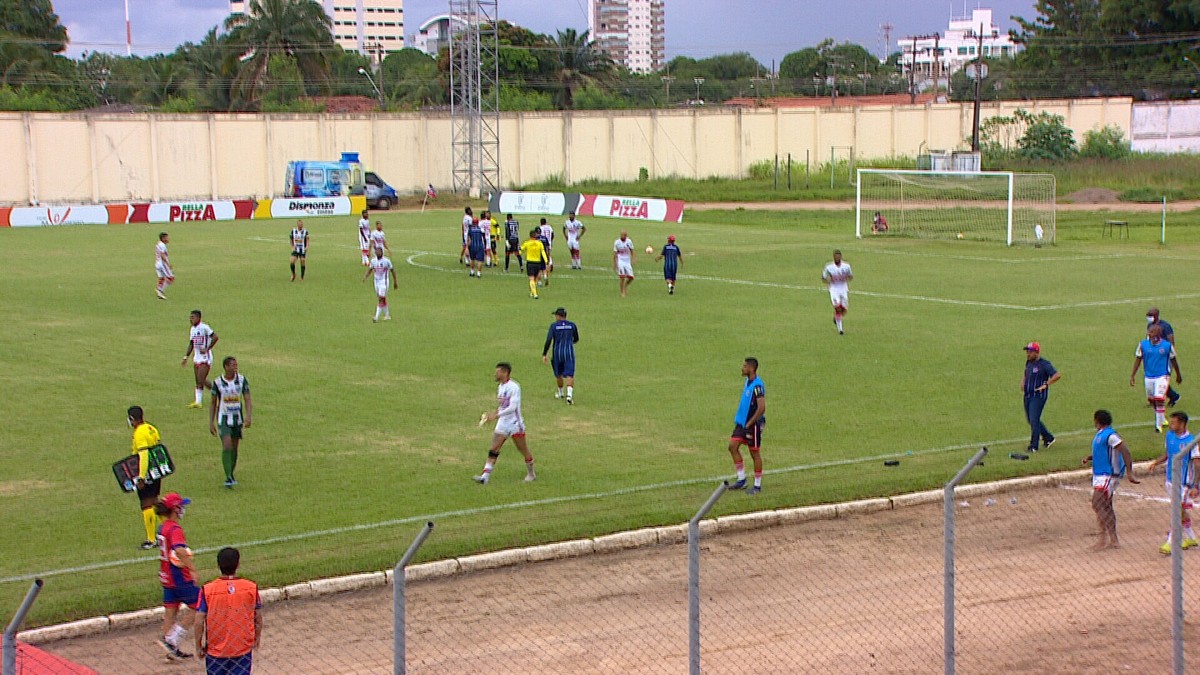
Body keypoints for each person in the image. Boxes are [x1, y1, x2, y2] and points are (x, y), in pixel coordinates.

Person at [195, 547, 262, 675]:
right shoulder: (250, 587)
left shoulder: (207, 590)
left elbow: (199, 621)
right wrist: (257, 638)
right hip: (242, 649)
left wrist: (199, 646)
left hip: (216, 652)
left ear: (218, 565)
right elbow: (258, 616)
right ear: (238, 564)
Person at [1082, 410, 1138, 551]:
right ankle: (1113, 540)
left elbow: (1125, 451)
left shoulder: (1111, 435)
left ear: (1097, 420)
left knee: (1097, 503)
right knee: (1106, 506)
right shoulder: (1102, 435)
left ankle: (1102, 539)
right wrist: (1090, 458)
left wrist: (1130, 472)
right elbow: (1104, 452)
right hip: (1101, 474)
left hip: (1108, 475)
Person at [1146, 411, 1200, 554]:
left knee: (1177, 512)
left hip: (1184, 484)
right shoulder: (1169, 436)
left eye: (1173, 422)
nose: (1170, 425)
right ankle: (1191, 538)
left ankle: (1170, 542)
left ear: (1182, 424)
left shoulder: (1191, 442)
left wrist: (1195, 486)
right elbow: (1168, 454)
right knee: (1181, 511)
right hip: (1170, 481)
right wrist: (1156, 463)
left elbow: (1197, 465)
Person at [474, 362, 536, 484]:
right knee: (494, 448)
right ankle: (485, 476)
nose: (495, 374)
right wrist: (492, 414)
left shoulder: (514, 387)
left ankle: (531, 473)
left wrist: (496, 415)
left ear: (505, 373)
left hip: (515, 424)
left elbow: (513, 407)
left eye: (498, 372)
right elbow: (503, 406)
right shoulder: (500, 387)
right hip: (503, 423)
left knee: (522, 449)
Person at [156, 492, 198, 660]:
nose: (183, 509)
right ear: (175, 509)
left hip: (166, 575)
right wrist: (192, 569)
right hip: (179, 576)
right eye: (181, 506)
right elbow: (179, 550)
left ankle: (169, 650)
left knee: (171, 611)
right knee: (201, 605)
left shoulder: (162, 527)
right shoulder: (174, 528)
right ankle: (173, 640)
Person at [210, 356, 252, 488]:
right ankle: (228, 477)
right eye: (233, 365)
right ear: (226, 367)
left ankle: (231, 473)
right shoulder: (218, 382)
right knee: (227, 445)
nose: (235, 367)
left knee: (235, 447)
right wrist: (211, 422)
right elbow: (213, 403)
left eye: (236, 365)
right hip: (224, 418)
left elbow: (247, 399)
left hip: (237, 418)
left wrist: (248, 416)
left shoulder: (242, 380)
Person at [1130, 324, 1182, 432]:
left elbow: (1173, 360)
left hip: (1162, 376)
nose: (1149, 333)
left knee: (1159, 399)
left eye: (1151, 332)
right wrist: (1133, 375)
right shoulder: (1143, 345)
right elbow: (1138, 359)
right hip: (1149, 377)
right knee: (1152, 400)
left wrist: (1178, 374)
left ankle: (1158, 427)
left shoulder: (1167, 346)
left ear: (1158, 333)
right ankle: (1162, 419)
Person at [128, 406, 165, 549]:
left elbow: (144, 455)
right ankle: (166, 532)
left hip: (147, 473)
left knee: (146, 504)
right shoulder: (151, 428)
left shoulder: (139, 433)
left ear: (132, 419)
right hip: (157, 471)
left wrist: (141, 477)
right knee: (155, 501)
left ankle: (151, 540)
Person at [728, 357, 766, 495]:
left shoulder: (757, 386)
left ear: (751, 368)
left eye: (744, 366)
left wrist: (751, 423)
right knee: (732, 447)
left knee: (754, 453)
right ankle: (742, 479)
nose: (742, 368)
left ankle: (757, 485)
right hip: (742, 424)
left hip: (752, 425)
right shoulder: (747, 382)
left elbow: (762, 408)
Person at [1021, 341, 1060, 453]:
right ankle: (1048, 438)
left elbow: (1057, 375)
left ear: (1036, 352)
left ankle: (1034, 446)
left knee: (1034, 420)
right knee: (1031, 419)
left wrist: (1046, 384)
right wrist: (1023, 381)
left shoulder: (1044, 364)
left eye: (1030, 352)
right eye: (1027, 351)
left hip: (1038, 396)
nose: (1028, 354)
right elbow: (1026, 372)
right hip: (1028, 395)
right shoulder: (1028, 362)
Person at [543, 307, 580, 404]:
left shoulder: (554, 326)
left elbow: (548, 340)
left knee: (558, 374)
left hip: (557, 353)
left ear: (559, 316)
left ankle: (560, 392)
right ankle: (569, 395)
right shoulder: (572, 325)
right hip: (569, 353)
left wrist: (544, 354)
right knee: (570, 374)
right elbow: (576, 339)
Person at [182, 310, 218, 409]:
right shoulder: (192, 329)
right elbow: (191, 344)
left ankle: (218, 392)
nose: (191, 319)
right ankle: (198, 402)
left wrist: (207, 348)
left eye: (193, 317)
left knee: (201, 379)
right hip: (196, 357)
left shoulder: (204, 327)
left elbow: (215, 337)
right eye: (190, 317)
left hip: (205, 358)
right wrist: (186, 357)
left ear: (198, 318)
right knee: (198, 380)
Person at [1147, 307, 1181, 407]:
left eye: (1150, 315)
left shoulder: (1165, 326)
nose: (1148, 317)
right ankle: (1170, 396)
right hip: (1155, 356)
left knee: (1161, 378)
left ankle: (1173, 396)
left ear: (1156, 315)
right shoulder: (1150, 325)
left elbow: (1171, 340)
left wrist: (1168, 353)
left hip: (1165, 356)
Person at [821, 250, 853, 335]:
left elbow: (851, 276)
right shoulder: (829, 267)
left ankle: (836, 318)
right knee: (838, 308)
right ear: (833, 257)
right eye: (836, 256)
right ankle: (840, 330)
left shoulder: (846, 266)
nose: (837, 258)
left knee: (844, 310)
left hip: (843, 289)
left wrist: (847, 278)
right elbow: (823, 278)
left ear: (841, 257)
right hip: (834, 289)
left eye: (838, 256)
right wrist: (828, 280)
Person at [363, 246, 398, 321]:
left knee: (380, 299)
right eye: (377, 251)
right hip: (376, 282)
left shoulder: (386, 261)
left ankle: (376, 317)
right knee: (382, 299)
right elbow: (370, 269)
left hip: (384, 282)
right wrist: (366, 277)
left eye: (379, 251)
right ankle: (387, 315)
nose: (378, 252)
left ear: (382, 252)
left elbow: (393, 271)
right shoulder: (373, 261)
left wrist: (395, 281)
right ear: (375, 253)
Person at [520, 229, 548, 300]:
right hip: (537, 263)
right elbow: (543, 252)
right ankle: (532, 292)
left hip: (530, 262)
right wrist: (546, 260)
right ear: (535, 235)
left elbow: (521, 250)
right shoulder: (539, 243)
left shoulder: (527, 243)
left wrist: (518, 250)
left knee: (531, 279)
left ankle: (535, 294)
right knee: (535, 278)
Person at [613, 230, 636, 297]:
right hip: (620, 261)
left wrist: (633, 258)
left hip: (627, 262)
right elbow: (615, 253)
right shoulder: (617, 242)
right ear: (621, 235)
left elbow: (632, 250)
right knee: (622, 277)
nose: (624, 236)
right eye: (622, 235)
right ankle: (622, 292)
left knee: (631, 277)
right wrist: (615, 264)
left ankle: (625, 286)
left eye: (625, 235)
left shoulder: (629, 241)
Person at [155, 232, 173, 300]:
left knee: (161, 278)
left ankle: (160, 295)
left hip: (157, 264)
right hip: (162, 264)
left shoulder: (159, 243)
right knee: (171, 278)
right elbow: (162, 255)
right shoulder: (162, 245)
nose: (168, 239)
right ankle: (160, 290)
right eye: (167, 237)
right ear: (163, 238)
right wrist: (168, 264)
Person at [538, 218, 554, 285]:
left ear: (541, 222)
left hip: (542, 244)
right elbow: (552, 235)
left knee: (540, 262)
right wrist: (550, 240)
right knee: (548, 256)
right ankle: (550, 265)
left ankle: (539, 281)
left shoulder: (540, 228)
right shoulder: (550, 227)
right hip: (548, 242)